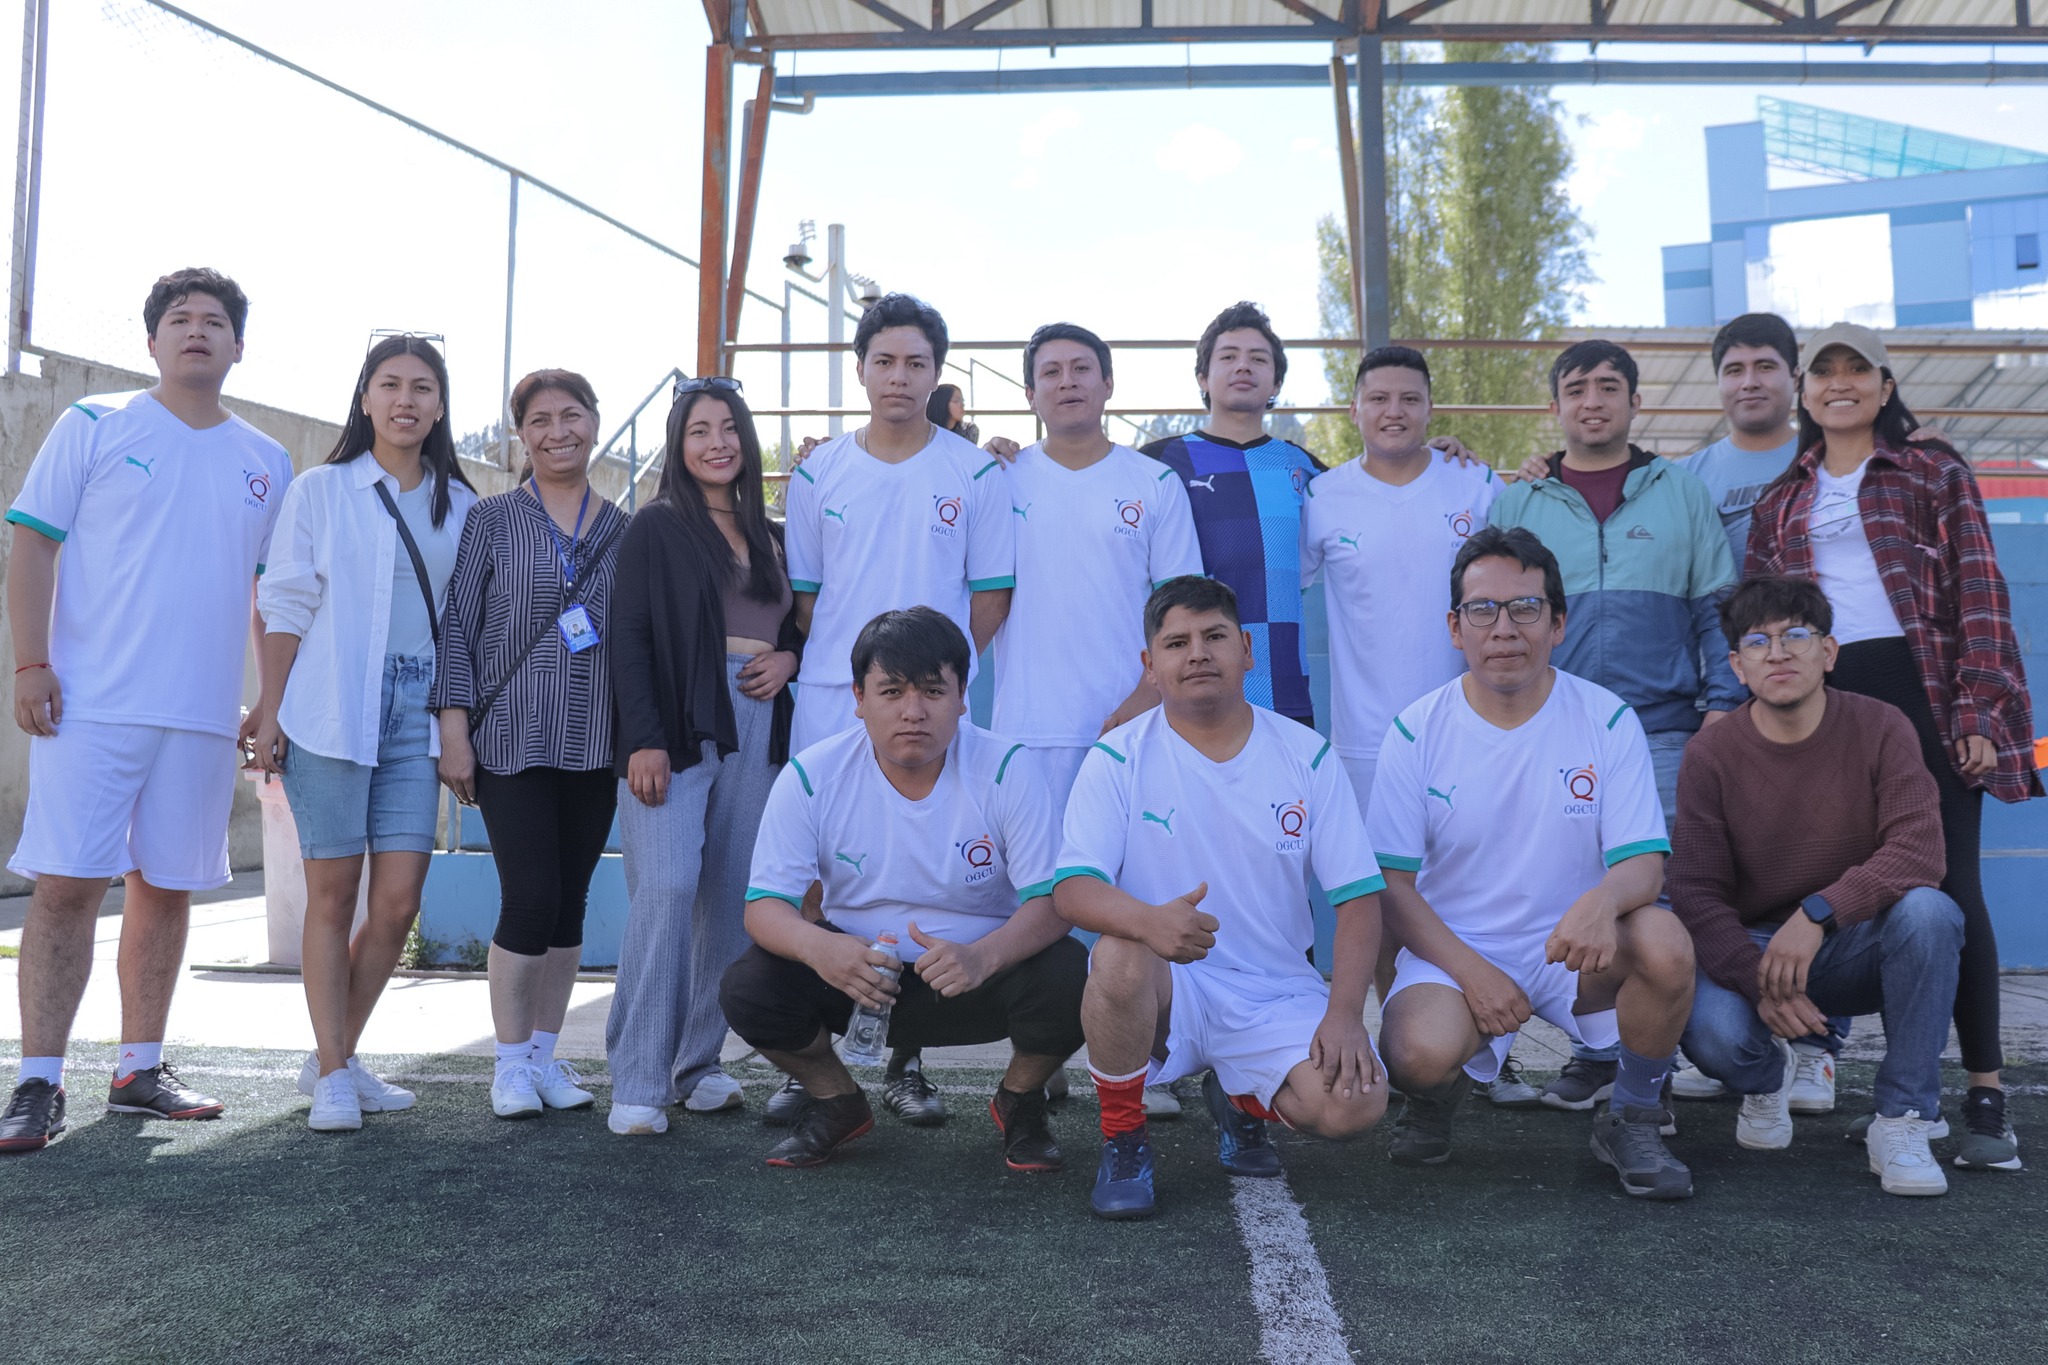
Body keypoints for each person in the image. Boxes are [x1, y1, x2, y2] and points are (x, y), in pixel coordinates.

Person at [0, 268, 291, 1153]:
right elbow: (32, 542)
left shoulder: (267, 460)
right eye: (179, 319)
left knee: (166, 890)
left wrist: (269, 701)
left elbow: (268, 594)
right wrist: (31, 663)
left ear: (239, 346)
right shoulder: (92, 423)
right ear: (152, 340)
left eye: (214, 321)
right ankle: (38, 1081)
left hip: (203, 718)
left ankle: (139, 1068)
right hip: (89, 707)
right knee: (66, 888)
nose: (196, 331)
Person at [1749, 321, 2040, 1173]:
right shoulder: (1783, 498)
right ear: (1805, 391)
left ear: (1883, 385)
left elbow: (1979, 591)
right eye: (1824, 372)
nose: (1839, 384)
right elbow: (1768, 620)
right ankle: (1856, 1072)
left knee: (1949, 888)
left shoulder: (1931, 469)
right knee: (1838, 884)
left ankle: (1984, 1094)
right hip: (1827, 707)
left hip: (1928, 696)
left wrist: (1982, 710)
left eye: (1857, 371)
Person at [1370, 526, 1697, 1200]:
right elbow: (1393, 889)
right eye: (1483, 609)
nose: (1505, 627)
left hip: (1576, 948)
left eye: (1525, 607)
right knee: (1415, 1054)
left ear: (1557, 623)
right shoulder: (1415, 729)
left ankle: (1632, 1113)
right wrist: (1473, 971)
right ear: (1456, 628)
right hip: (1458, 952)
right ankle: (1434, 1096)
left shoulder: (1606, 719)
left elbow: (1644, 867)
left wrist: (1601, 902)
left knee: (1665, 942)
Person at [1055, 576, 1391, 1220]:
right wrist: (1150, 922)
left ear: (1246, 650)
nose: (1198, 654)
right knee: (1120, 956)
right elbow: (1072, 889)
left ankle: (1240, 1100)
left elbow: (1358, 898)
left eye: (1214, 637)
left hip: (1275, 990)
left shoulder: (1305, 755)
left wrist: (1347, 1014)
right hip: (1169, 987)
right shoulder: (1117, 756)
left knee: (1354, 1105)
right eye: (1176, 642)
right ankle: (1124, 1141)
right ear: (1151, 666)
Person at [720, 608, 1084, 1173]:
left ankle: (1020, 1101)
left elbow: (1054, 902)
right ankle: (836, 1102)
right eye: (891, 691)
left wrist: (984, 956)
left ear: (963, 696)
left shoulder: (1008, 767)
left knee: (1073, 973)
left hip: (975, 978)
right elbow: (764, 908)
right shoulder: (812, 774)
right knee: (750, 985)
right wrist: (823, 948)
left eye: (933, 691)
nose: (913, 712)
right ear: (858, 697)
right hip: (859, 978)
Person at [1488, 339, 1738, 1113]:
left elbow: (1715, 611)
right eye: (1575, 388)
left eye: (1608, 387)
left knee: (1650, 900)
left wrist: (1721, 711)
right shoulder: (1518, 500)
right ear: (1554, 406)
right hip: (1544, 732)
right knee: (1561, 888)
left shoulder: (1681, 491)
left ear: (1634, 401)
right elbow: (1487, 617)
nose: (1592, 400)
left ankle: (1645, 1067)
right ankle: (1591, 1049)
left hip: (1662, 731)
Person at [248, 334, 478, 1134]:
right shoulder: (320, 491)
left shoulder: (465, 505)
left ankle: (334, 1052)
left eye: (422, 387)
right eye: (390, 384)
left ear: (441, 406)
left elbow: (465, 630)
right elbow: (285, 605)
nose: (405, 399)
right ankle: (337, 1069)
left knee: (397, 903)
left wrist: (456, 726)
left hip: (418, 711)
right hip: (328, 706)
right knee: (333, 895)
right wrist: (269, 709)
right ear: (365, 397)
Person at [1668, 576, 1961, 1195]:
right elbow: (1696, 891)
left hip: (1848, 942)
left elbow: (1919, 850)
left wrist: (1819, 914)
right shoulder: (1711, 754)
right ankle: (1766, 1077)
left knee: (1931, 913)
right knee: (1711, 1028)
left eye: (1795, 635)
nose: (1778, 653)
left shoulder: (1883, 726)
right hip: (1753, 947)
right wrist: (1755, 979)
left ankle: (1903, 1117)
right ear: (1737, 666)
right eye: (1758, 642)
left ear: (1828, 653)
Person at [604, 378, 803, 1137]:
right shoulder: (655, 526)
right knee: (666, 883)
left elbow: (798, 627)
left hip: (760, 713)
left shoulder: (774, 532)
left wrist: (786, 660)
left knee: (731, 894)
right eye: (699, 430)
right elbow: (629, 636)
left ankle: (697, 1064)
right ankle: (640, 1077)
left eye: (729, 429)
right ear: (679, 446)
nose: (717, 442)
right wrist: (643, 737)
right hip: (676, 715)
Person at [433, 369, 628, 1120]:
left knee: (571, 904)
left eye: (571, 415)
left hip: (593, 739)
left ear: (594, 422)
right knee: (531, 895)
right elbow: (459, 627)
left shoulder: (623, 526)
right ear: (522, 433)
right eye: (540, 419)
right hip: (508, 738)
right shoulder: (491, 519)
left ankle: (546, 1055)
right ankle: (509, 1062)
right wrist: (454, 729)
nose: (557, 430)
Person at [783, 293, 1014, 754]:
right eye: (884, 361)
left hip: (930, 703)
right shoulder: (815, 471)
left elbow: (991, 599)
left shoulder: (976, 472)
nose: (898, 377)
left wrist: (937, 674)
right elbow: (806, 600)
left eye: (915, 363)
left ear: (936, 374)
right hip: (833, 696)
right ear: (861, 369)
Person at [994, 322, 1202, 807]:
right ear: (1030, 394)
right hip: (1028, 729)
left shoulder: (1155, 483)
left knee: (1129, 880)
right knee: (1036, 881)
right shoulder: (999, 480)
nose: (1068, 381)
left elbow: (1183, 607)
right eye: (1051, 372)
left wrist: (1147, 696)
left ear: (1108, 384)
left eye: (1082, 368)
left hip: (1132, 723)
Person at [1138, 302, 1323, 727]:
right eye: (1229, 356)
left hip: (1284, 688)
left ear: (1276, 382)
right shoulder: (1158, 463)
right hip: (1188, 690)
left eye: (1258, 359)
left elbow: (1379, 481)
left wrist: (1438, 453)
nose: (1244, 366)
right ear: (1203, 377)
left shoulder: (1307, 469)